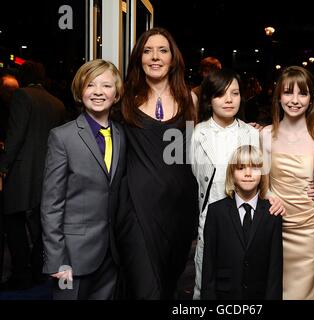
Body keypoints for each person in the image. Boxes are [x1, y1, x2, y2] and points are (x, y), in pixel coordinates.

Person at [115, 27, 199, 299]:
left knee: (168, 284)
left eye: (163, 50)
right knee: (145, 288)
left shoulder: (190, 99)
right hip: (137, 208)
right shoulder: (124, 99)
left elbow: (201, 146)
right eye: (148, 51)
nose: (155, 57)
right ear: (139, 58)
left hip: (179, 210)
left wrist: (254, 133)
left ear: (173, 59)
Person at [191, 68, 285, 299]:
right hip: (212, 221)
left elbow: (261, 174)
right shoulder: (195, 134)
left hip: (244, 220)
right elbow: (193, 181)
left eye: (234, 93)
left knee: (245, 283)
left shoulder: (251, 134)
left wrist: (272, 197)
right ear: (209, 99)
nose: (229, 100)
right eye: (221, 94)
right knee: (208, 284)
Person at [40, 59, 125, 300]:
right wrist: (56, 260)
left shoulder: (122, 135)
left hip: (112, 256)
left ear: (116, 93)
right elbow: (51, 204)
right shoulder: (62, 137)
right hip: (72, 257)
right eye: (91, 85)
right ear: (80, 91)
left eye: (106, 86)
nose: (98, 92)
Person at [261, 66, 314, 299]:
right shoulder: (265, 135)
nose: (295, 100)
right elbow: (262, 184)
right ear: (279, 96)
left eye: (303, 93)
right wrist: (269, 196)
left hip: (310, 228)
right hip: (277, 225)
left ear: (312, 99)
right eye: (288, 93)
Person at [0, 61, 66, 290]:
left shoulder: (22, 96)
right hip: (46, 172)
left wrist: (3, 165)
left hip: (21, 171)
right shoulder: (56, 103)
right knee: (40, 224)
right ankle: (38, 270)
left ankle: (20, 274)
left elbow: (15, 136)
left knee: (13, 220)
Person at [201, 145, 283, 300]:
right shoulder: (216, 212)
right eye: (240, 168)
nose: (248, 174)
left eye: (255, 168)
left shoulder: (272, 214)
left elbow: (275, 270)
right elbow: (209, 267)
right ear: (232, 173)